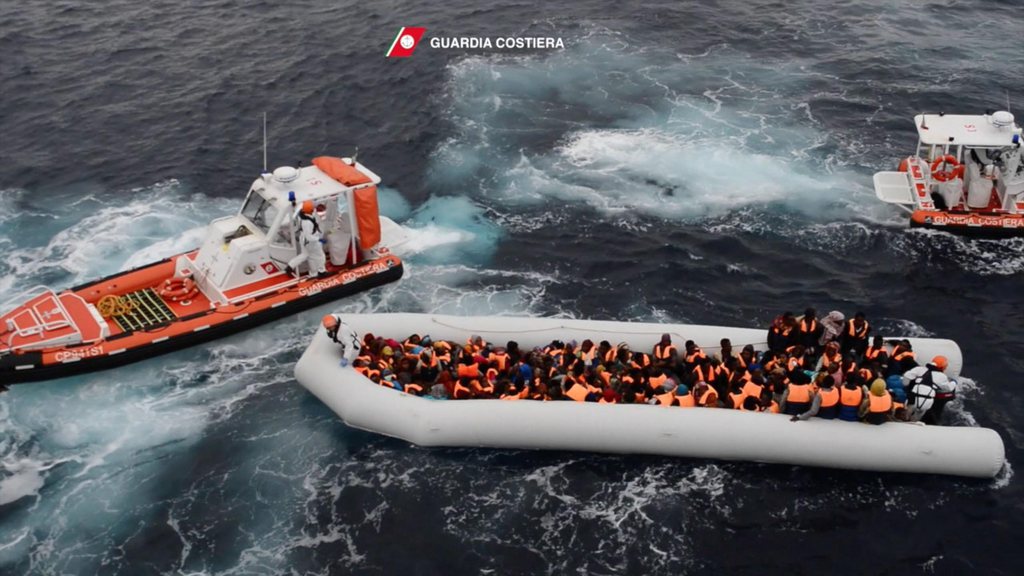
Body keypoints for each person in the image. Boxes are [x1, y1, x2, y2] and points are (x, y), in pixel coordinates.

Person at [902, 355, 957, 424]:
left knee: (905, 415)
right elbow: (948, 388)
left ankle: (903, 420)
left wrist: (906, 386)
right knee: (915, 419)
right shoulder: (942, 376)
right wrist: (954, 382)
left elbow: (907, 375)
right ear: (942, 367)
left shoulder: (919, 369)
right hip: (926, 401)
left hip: (913, 398)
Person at [287, 200, 329, 278]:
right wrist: (319, 239)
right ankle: (322, 271)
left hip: (303, 239)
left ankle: (290, 266)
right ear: (311, 210)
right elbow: (309, 236)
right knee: (320, 256)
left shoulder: (302, 216)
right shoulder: (307, 222)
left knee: (305, 255)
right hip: (310, 242)